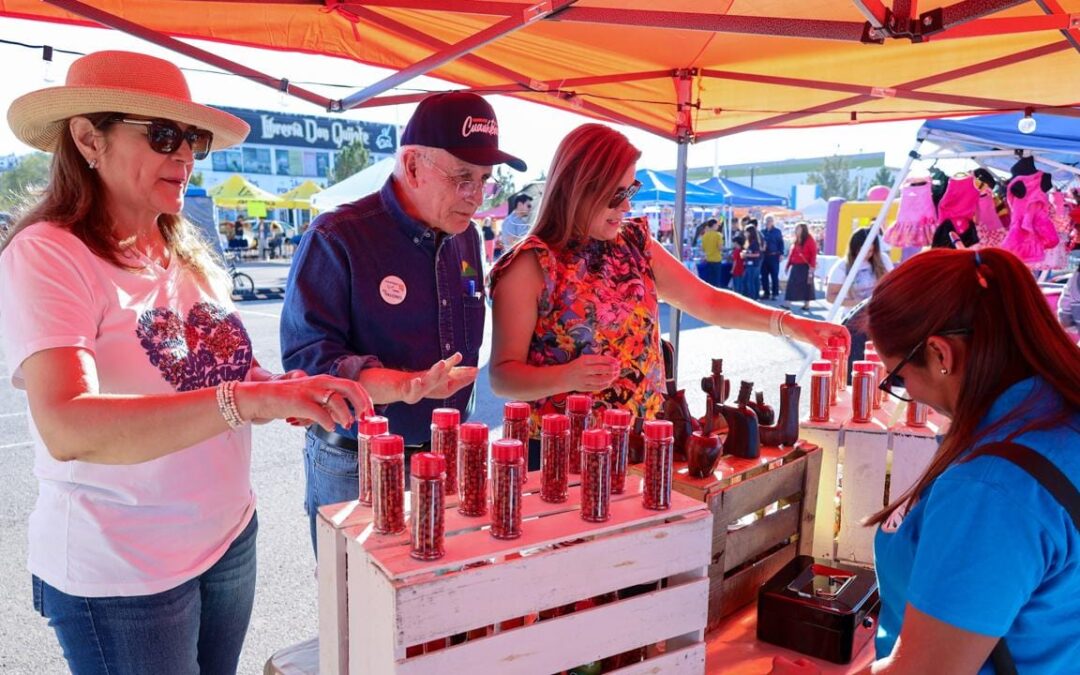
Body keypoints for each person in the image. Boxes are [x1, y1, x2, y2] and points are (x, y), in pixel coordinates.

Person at [0, 50, 372, 674]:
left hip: (227, 537)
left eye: (193, 138)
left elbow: (229, 375)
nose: (186, 155)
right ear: (89, 139)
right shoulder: (49, 253)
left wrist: (285, 388)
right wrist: (248, 402)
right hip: (125, 570)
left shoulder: (180, 246)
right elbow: (67, 426)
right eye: (165, 135)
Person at [488, 123, 849, 453]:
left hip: (644, 443)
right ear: (579, 189)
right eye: (616, 194)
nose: (627, 205)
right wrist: (565, 376)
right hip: (562, 455)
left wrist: (792, 323)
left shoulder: (634, 242)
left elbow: (708, 301)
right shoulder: (530, 264)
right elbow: (503, 377)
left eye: (631, 189)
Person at [281, 91, 527, 551]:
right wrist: (404, 385)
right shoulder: (339, 237)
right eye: (462, 178)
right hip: (359, 462)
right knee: (358, 604)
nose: (475, 196)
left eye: (483, 181)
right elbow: (309, 365)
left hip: (447, 453)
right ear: (411, 165)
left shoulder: (465, 239)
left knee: (442, 593)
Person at [855, 248, 1080, 673]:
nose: (906, 394)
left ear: (941, 354)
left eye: (898, 377)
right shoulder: (1059, 414)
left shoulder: (991, 491)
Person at [826, 227, 893, 307]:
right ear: (854, 249)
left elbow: (893, 283)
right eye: (862, 250)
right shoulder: (842, 266)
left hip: (880, 312)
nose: (866, 254)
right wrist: (856, 303)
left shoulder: (883, 259)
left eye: (870, 251)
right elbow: (830, 296)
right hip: (855, 314)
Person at [784, 222, 818, 311]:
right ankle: (787, 303)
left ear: (803, 229)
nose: (796, 230)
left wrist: (812, 266)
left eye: (798, 228)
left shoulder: (809, 239)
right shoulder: (796, 240)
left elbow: (813, 254)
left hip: (805, 266)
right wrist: (788, 265)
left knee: (807, 285)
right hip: (796, 265)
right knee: (791, 284)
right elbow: (792, 254)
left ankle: (807, 304)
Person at [760, 214, 785, 300]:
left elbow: (781, 243)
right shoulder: (762, 232)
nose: (768, 222)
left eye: (770, 220)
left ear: (773, 222)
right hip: (764, 256)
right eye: (767, 220)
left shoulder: (777, 231)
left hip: (774, 256)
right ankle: (766, 293)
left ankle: (775, 293)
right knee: (764, 276)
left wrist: (781, 253)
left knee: (774, 275)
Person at [740, 224, 763, 300]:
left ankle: (752, 298)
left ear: (750, 232)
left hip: (753, 265)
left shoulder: (754, 242)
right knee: (752, 281)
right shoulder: (749, 242)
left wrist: (746, 254)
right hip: (750, 264)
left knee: (751, 282)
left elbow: (757, 254)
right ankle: (755, 297)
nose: (744, 234)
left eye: (746, 232)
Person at [699, 217, 723, 287]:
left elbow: (703, 248)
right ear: (714, 225)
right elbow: (720, 248)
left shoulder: (704, 236)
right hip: (716, 260)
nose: (718, 226)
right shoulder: (718, 235)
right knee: (716, 281)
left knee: (710, 280)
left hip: (708, 260)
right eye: (717, 225)